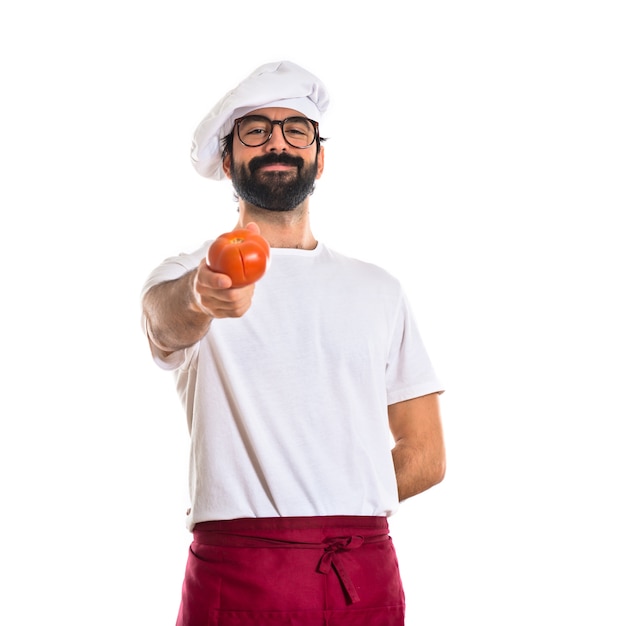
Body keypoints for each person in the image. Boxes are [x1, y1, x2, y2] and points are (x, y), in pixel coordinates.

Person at [141, 60, 446, 626]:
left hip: (359, 575)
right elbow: (164, 322)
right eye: (255, 130)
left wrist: (334, 496)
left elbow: (426, 456)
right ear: (228, 160)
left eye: (295, 130)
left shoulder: (378, 289)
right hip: (237, 574)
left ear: (319, 157)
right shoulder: (190, 272)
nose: (276, 143)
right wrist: (203, 296)